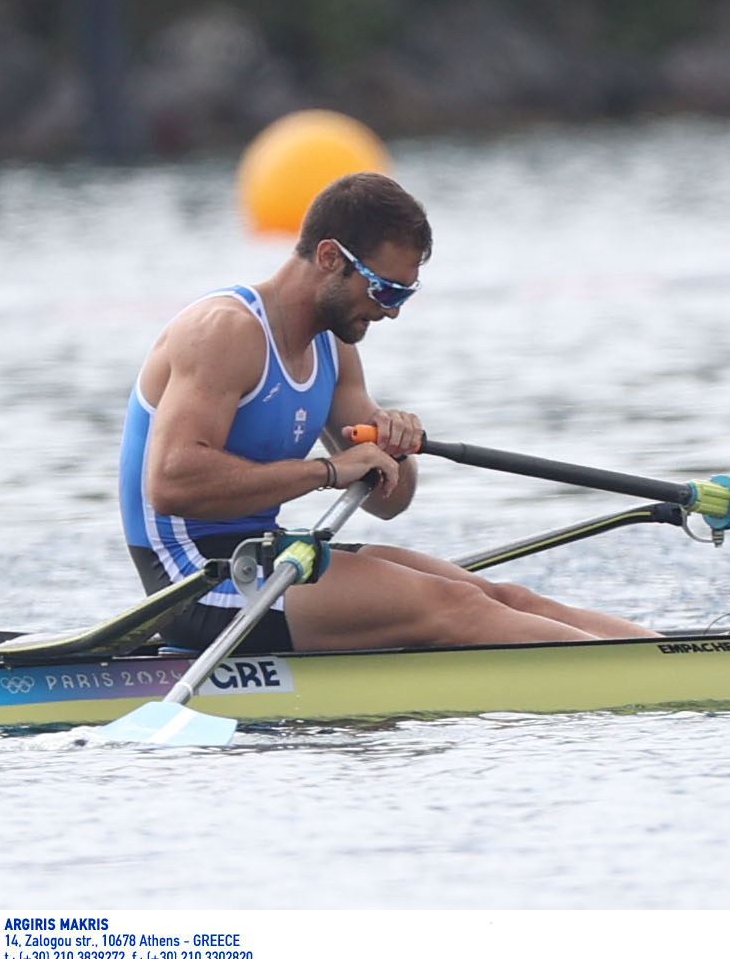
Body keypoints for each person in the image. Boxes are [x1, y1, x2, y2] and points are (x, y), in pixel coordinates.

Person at [118, 171, 659, 654]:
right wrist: (327, 472)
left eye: (406, 292)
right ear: (330, 257)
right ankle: (645, 677)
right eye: (384, 287)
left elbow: (389, 502)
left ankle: (671, 654)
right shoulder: (224, 331)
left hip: (262, 557)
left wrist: (394, 449)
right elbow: (170, 482)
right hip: (195, 582)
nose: (393, 310)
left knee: (498, 595)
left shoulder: (334, 345)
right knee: (456, 608)